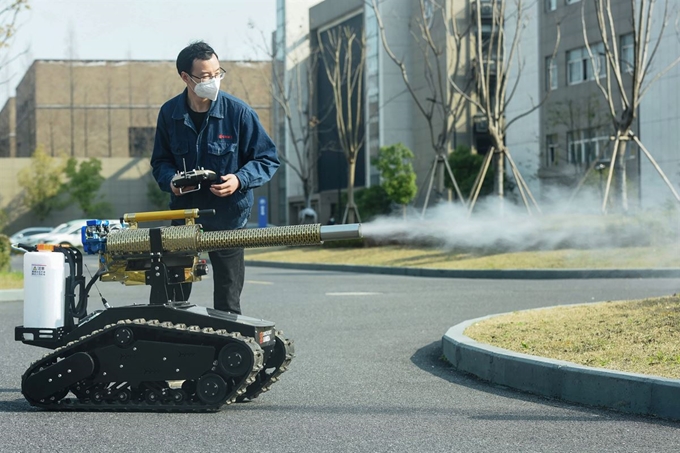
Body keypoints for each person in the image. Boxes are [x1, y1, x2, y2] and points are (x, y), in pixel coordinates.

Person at [151, 41, 280, 314]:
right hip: (185, 217)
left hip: (229, 218)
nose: (213, 80)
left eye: (217, 73)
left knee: (227, 298)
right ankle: (172, 345)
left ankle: (226, 350)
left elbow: (267, 158)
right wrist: (171, 182)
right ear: (186, 78)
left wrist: (239, 180)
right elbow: (160, 162)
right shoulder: (170, 113)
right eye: (206, 76)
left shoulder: (239, 112)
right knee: (170, 295)